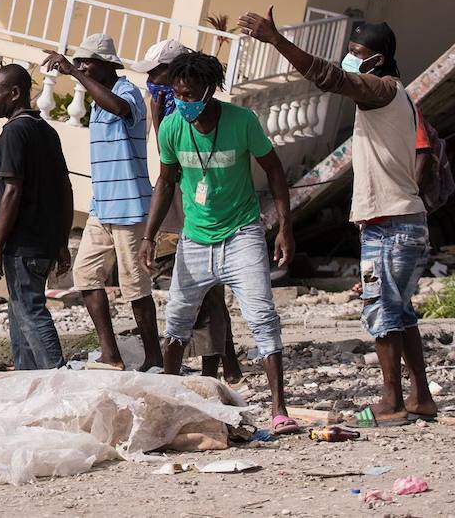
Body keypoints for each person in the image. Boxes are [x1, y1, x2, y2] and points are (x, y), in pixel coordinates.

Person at [240, 10, 437, 425]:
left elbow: (330, 78)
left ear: (378, 59)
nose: (350, 58)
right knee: (399, 313)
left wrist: (277, 41)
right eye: (348, 51)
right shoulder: (395, 94)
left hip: (390, 225)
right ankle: (420, 398)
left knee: (380, 310)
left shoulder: (380, 89)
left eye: (356, 52)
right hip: (402, 222)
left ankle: (392, 403)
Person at [137, 50, 299, 433]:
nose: (184, 102)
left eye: (191, 94)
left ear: (210, 90)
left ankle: (279, 409)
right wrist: (149, 235)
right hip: (194, 238)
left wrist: (284, 227)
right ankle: (169, 401)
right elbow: (166, 181)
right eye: (178, 94)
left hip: (242, 233)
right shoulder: (172, 126)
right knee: (177, 320)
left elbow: (274, 170)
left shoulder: (242, 121)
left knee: (261, 318)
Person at [42, 34, 162, 371]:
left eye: (86, 62)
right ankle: (111, 355)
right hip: (103, 207)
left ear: (106, 64)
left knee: (135, 285)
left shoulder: (127, 92)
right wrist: (80, 76)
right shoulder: (97, 100)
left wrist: (74, 74)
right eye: (78, 62)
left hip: (130, 208)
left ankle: (154, 358)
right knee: (86, 277)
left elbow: (120, 109)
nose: (80, 67)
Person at [131, 39, 242, 384]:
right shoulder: (164, 102)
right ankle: (224, 359)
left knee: (208, 287)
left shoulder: (195, 105)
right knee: (199, 287)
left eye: (157, 72)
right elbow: (164, 157)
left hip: (202, 198)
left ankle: (220, 362)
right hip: (177, 192)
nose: (153, 79)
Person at [0, 63, 73, 370]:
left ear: (15, 92)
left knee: (30, 310)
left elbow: (12, 191)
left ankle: (56, 375)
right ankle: (25, 380)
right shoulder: (46, 132)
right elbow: (65, 189)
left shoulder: (14, 132)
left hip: (23, 244)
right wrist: (61, 241)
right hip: (45, 242)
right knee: (20, 311)